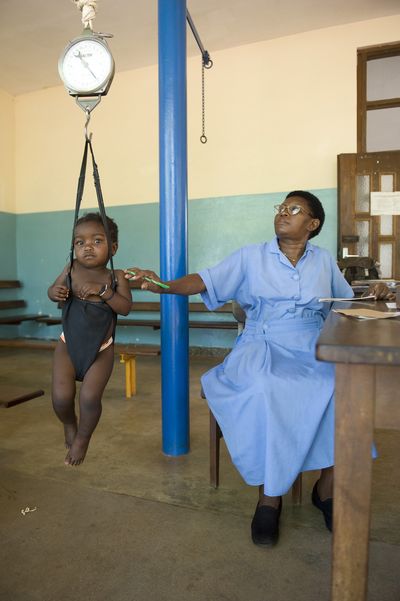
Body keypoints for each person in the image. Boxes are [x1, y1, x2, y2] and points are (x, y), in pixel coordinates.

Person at [124, 191, 394, 546]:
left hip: (313, 345)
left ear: (312, 225)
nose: (283, 213)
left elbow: (345, 300)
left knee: (344, 387)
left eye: (294, 209)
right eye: (281, 207)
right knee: (266, 386)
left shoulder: (323, 260)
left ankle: (326, 489)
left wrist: (375, 292)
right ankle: (270, 496)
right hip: (262, 343)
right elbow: (203, 280)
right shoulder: (252, 256)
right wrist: (159, 283)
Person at [48, 212, 132, 466]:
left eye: (97, 241)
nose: (87, 248)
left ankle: (83, 438)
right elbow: (52, 291)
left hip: (101, 350)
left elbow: (125, 307)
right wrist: (57, 292)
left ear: (113, 247)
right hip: (68, 344)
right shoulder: (71, 269)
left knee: (89, 398)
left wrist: (104, 292)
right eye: (80, 242)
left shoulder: (115, 278)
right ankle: (70, 424)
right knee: (61, 397)